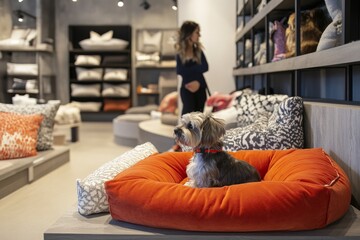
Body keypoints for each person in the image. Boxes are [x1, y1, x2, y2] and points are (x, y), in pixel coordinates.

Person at [175, 20, 209, 115]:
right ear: (189, 34)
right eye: (197, 32)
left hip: (201, 88)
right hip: (187, 88)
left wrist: (197, 82)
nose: (199, 35)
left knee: (199, 118)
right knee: (187, 116)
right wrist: (196, 68)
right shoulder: (180, 54)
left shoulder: (198, 51)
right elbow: (179, 71)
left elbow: (205, 67)